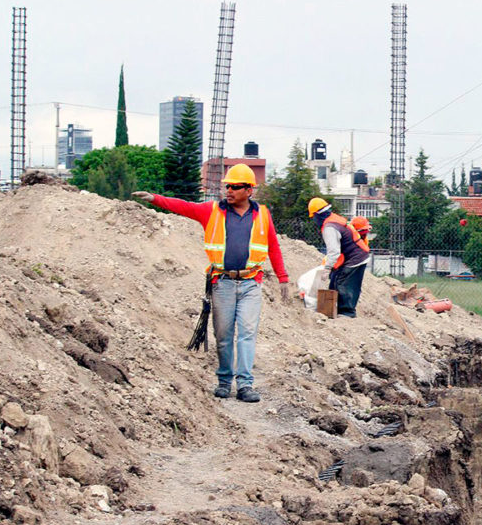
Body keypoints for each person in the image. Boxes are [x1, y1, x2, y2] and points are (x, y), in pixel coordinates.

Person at [132, 163, 289, 403]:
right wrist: (155, 199)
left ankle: (245, 384)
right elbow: (184, 207)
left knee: (247, 333)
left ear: (249, 190)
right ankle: (225, 381)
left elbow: (273, 247)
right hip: (223, 283)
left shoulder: (263, 215)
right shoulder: (212, 211)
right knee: (224, 334)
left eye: (235, 187)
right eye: (227, 186)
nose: (229, 190)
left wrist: (283, 278)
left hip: (250, 283)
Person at [309, 198, 370, 318]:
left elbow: (334, 251)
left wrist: (327, 268)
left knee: (343, 282)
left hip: (355, 257)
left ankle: (346, 313)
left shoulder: (329, 227)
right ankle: (336, 310)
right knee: (336, 279)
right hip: (357, 254)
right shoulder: (334, 219)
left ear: (317, 215)